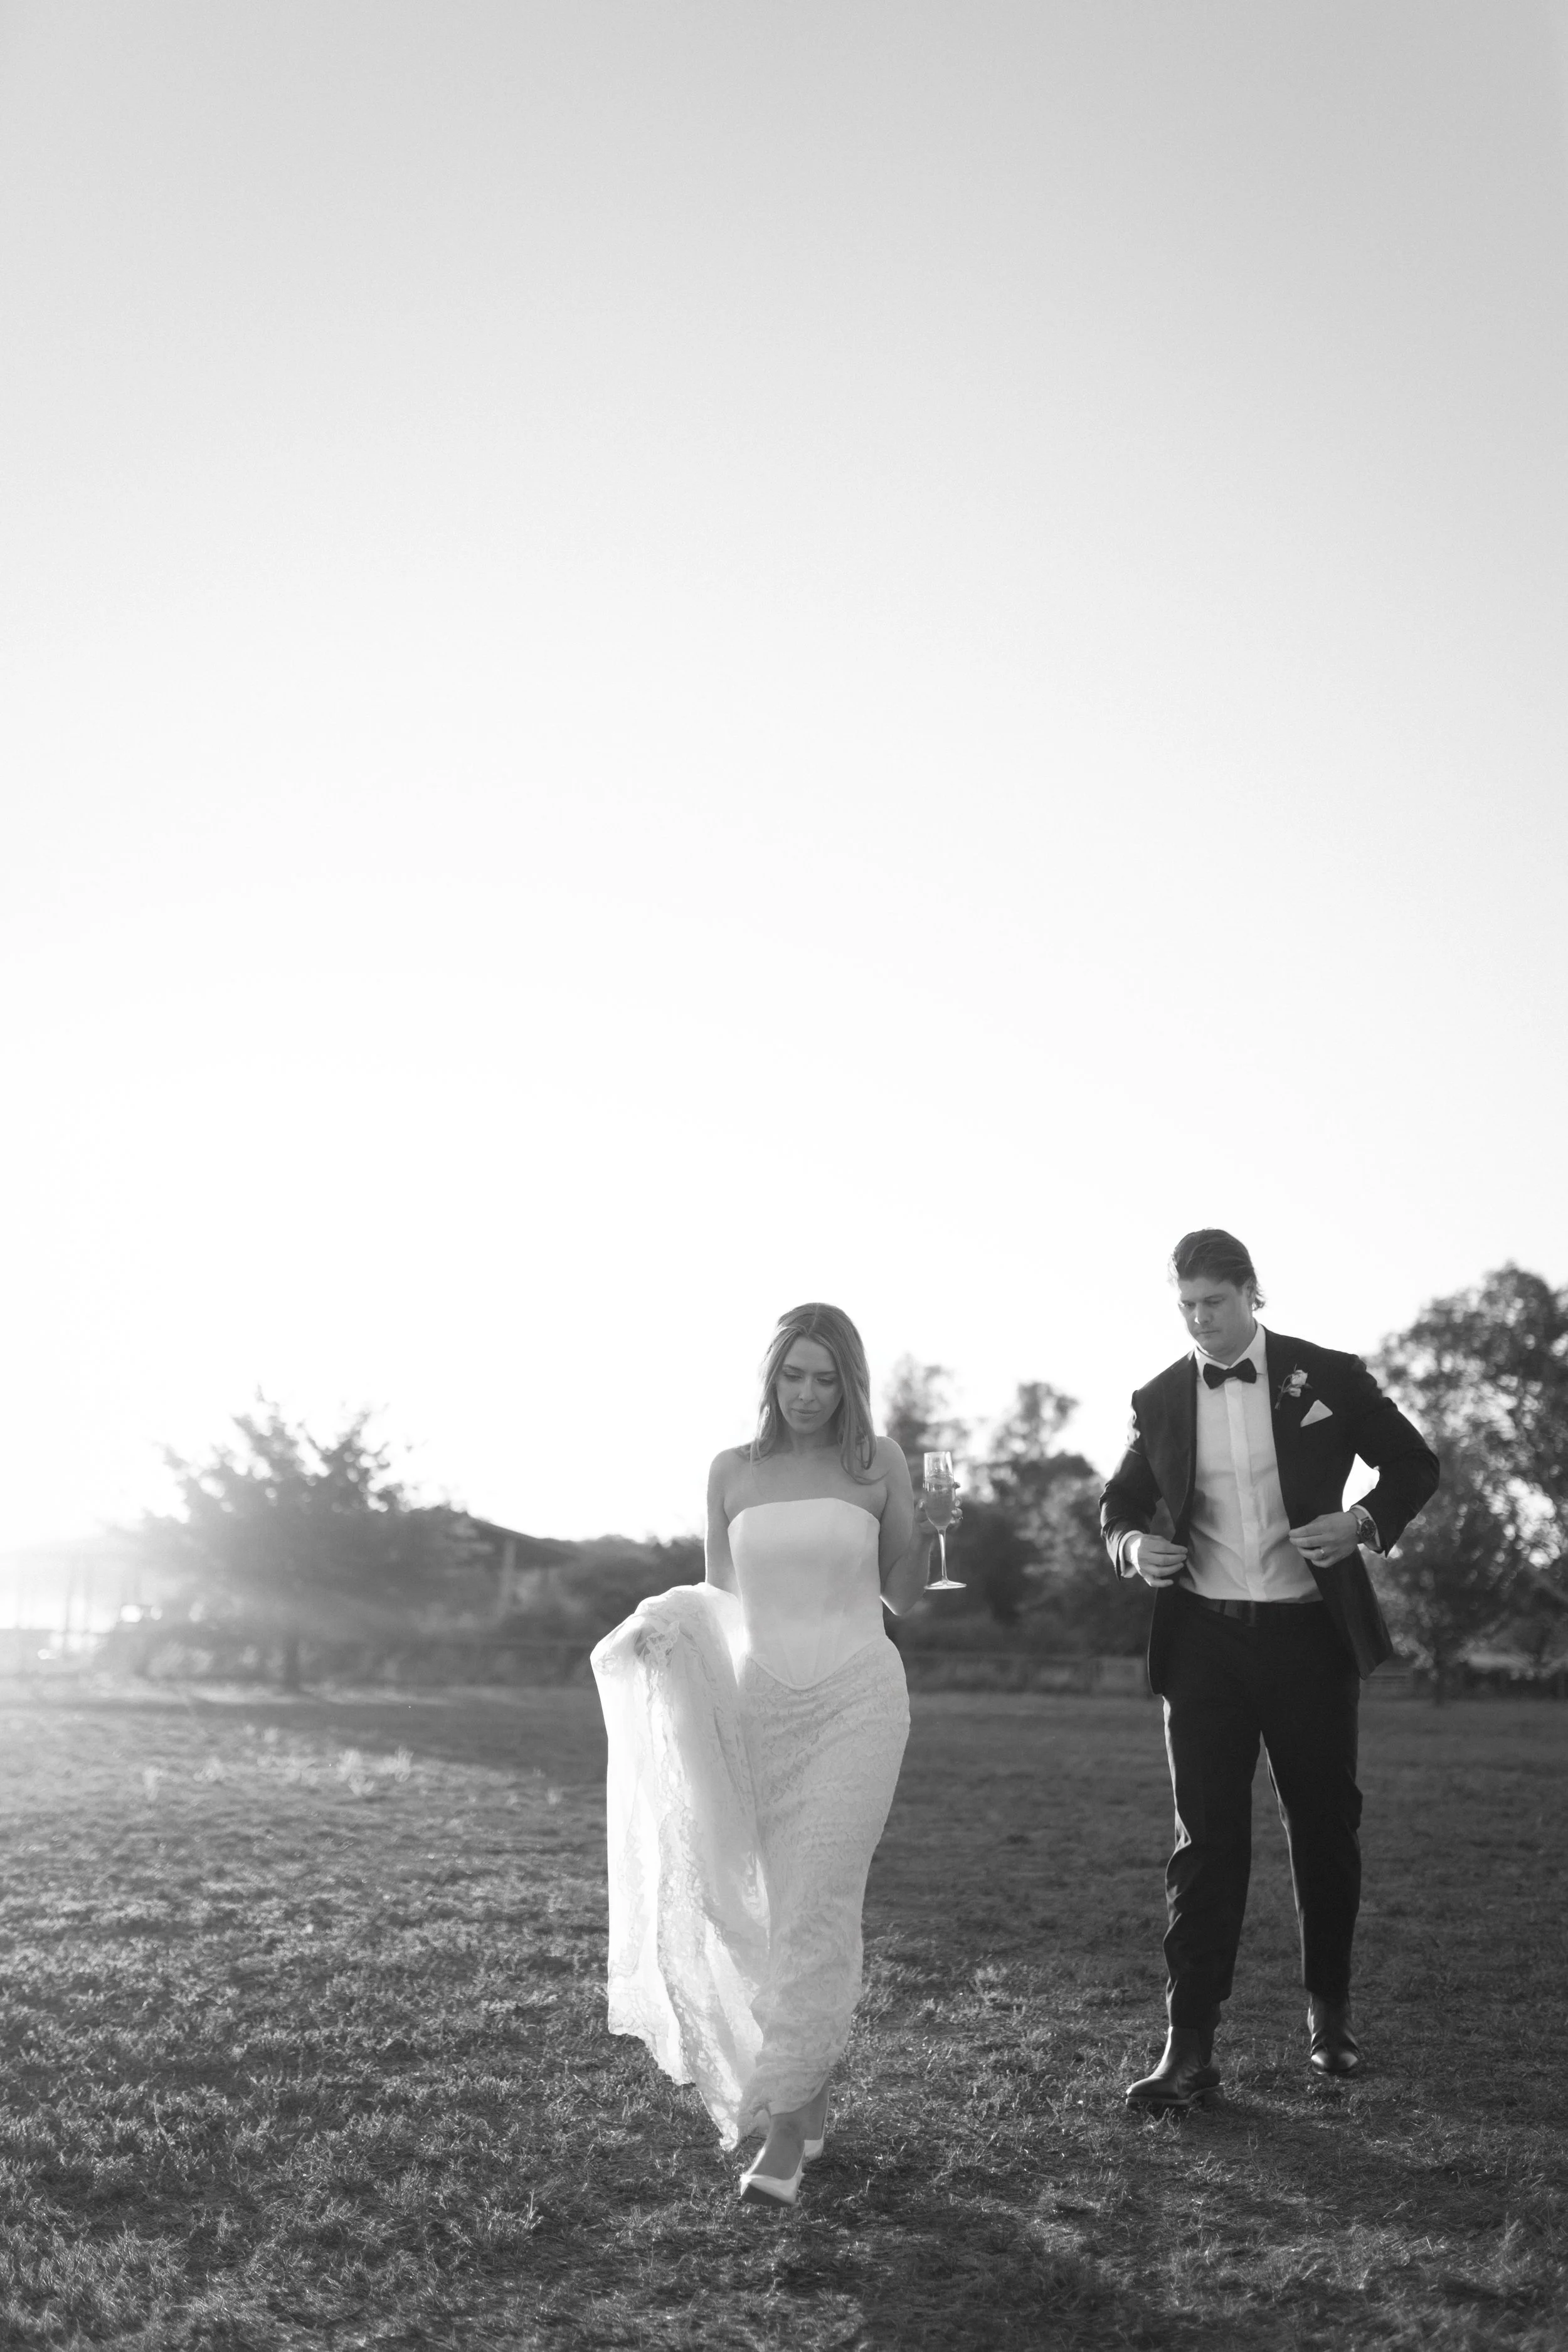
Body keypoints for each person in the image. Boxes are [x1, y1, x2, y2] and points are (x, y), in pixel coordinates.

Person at [591, 1303, 946, 2205]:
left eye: (826, 1378)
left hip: (861, 1697)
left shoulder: (878, 1463)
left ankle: (784, 2132)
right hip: (765, 1711)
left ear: (850, 1383)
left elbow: (905, 1597)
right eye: (794, 1374)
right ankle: (810, 2093)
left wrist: (933, 1527)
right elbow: (720, 1601)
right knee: (787, 1910)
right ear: (772, 1376)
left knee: (819, 1898)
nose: (808, 1394)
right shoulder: (731, 1471)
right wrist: (662, 1630)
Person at [1099, 1229, 1439, 2112]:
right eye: (1186, 1306)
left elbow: (1415, 1462)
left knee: (1325, 1827)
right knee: (1204, 1841)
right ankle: (1189, 2046)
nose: (1199, 1321)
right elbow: (1120, 1502)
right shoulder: (1160, 1397)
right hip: (1204, 1646)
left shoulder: (1328, 1375)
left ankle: (1330, 2015)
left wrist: (1360, 1524)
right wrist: (1132, 1545)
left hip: (1309, 1642)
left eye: (1213, 1302)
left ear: (1252, 1291)